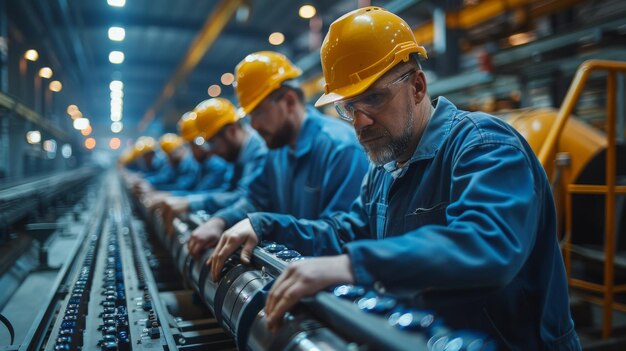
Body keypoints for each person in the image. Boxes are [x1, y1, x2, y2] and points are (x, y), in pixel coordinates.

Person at [207, 7, 581, 350]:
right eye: (348, 107)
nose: (360, 121)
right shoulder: (385, 168)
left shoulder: (483, 145)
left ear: (417, 87)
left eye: (374, 98)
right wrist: (263, 225)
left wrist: (353, 265)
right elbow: (344, 233)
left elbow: (486, 243)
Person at [187, 51, 369, 258]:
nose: (253, 125)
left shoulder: (340, 149)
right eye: (249, 116)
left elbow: (340, 236)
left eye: (258, 113)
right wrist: (220, 220)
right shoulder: (276, 150)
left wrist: (266, 225)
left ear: (289, 102)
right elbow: (255, 199)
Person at [161, 98, 268, 228]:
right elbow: (228, 190)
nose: (212, 152)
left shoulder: (260, 152)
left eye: (212, 143)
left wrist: (218, 219)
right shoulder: (236, 156)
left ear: (232, 131)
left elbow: (245, 198)